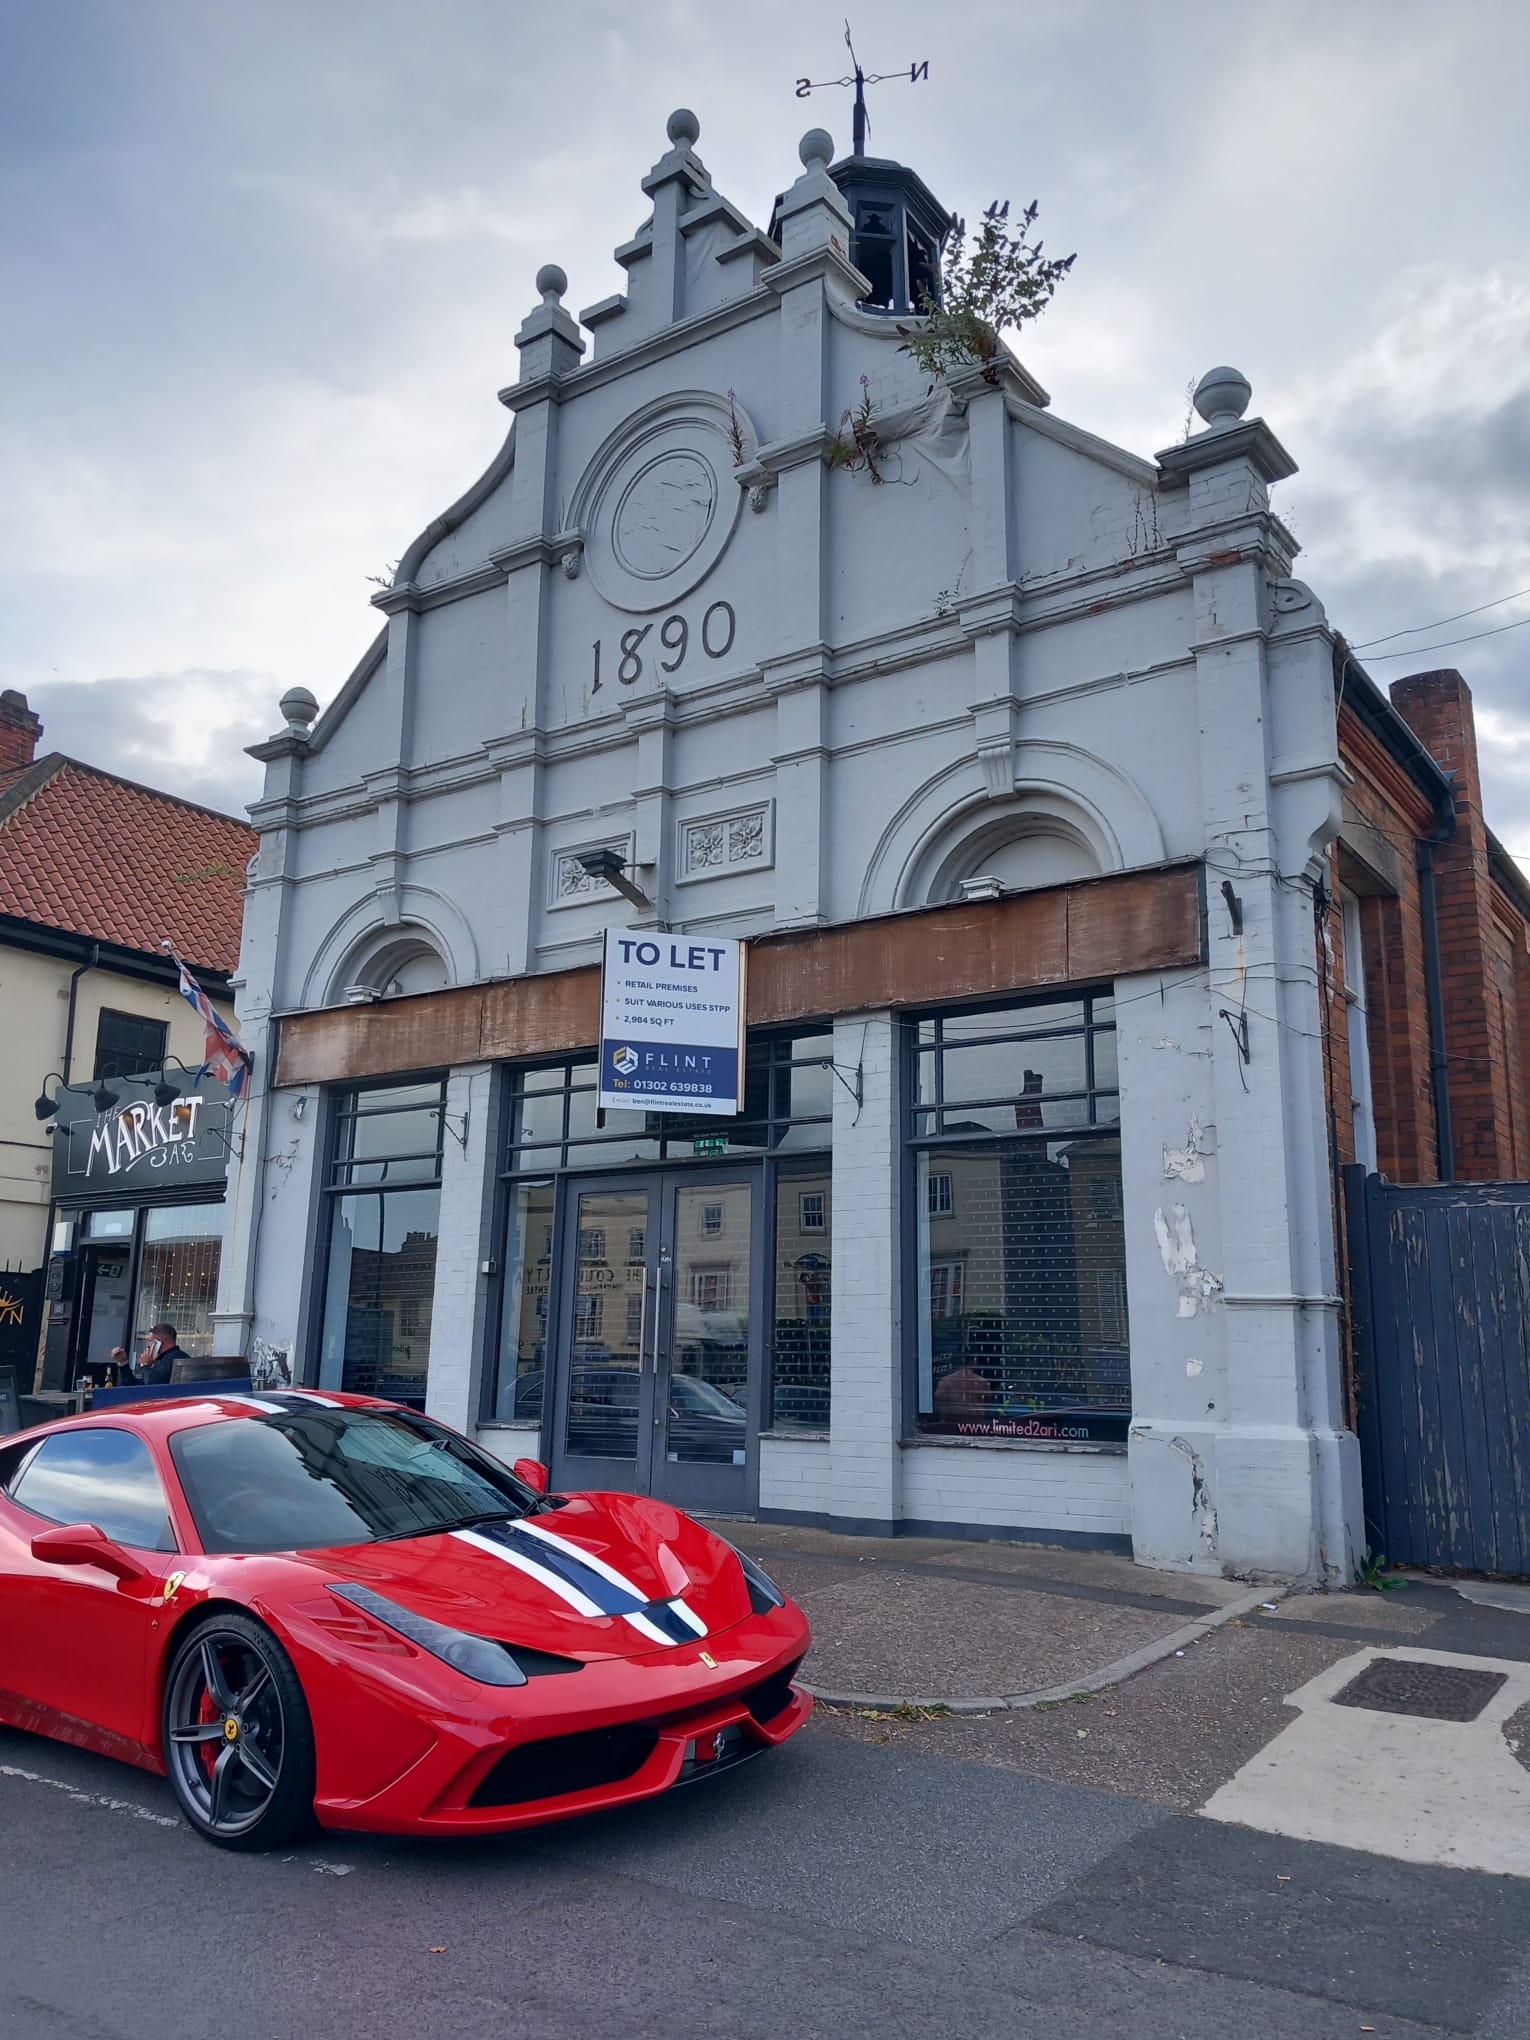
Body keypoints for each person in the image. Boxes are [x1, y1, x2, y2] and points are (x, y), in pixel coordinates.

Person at [110, 1323, 188, 1386]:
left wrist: (145, 1365)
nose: (147, 1345)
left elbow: (152, 1385)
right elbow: (137, 1386)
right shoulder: (160, 1360)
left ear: (159, 1342)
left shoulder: (175, 1358)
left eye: (150, 1341)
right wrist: (123, 1363)